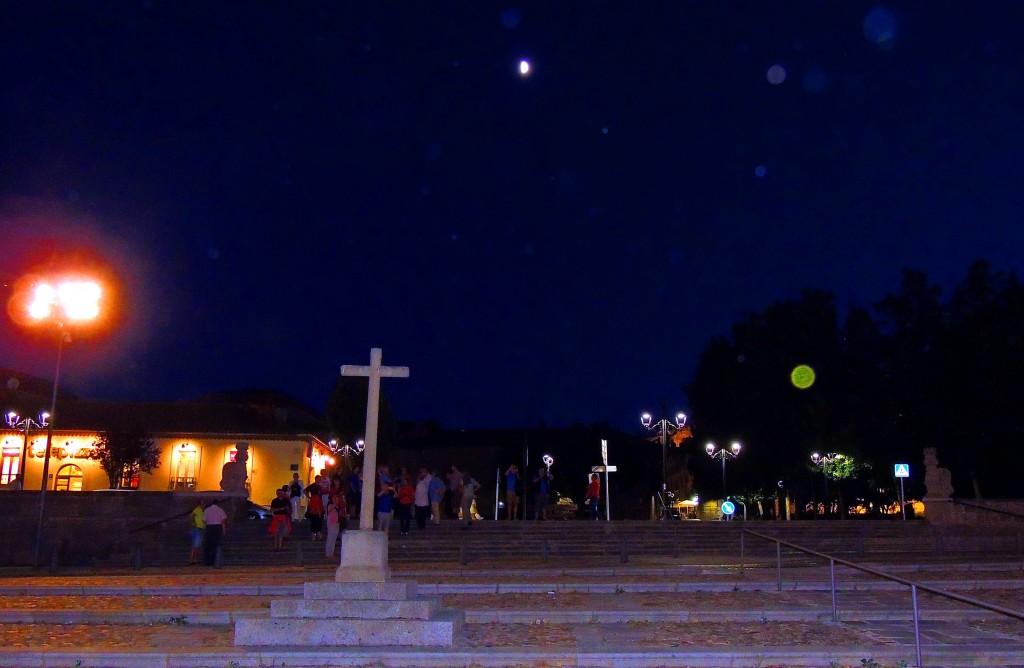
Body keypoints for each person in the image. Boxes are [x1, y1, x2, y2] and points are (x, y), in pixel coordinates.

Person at [202, 499, 227, 567]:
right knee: (217, 544)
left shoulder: (207, 510)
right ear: (217, 503)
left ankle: (207, 561)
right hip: (217, 527)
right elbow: (223, 521)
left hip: (209, 527)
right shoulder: (220, 510)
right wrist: (224, 530)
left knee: (208, 545)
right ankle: (216, 561)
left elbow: (204, 520)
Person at [269, 485, 292, 549]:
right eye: (277, 493)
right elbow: (272, 510)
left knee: (281, 533)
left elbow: (290, 510)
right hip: (277, 517)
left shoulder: (286, 500)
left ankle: (279, 546)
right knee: (276, 533)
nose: (279, 494)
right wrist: (280, 509)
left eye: (280, 493)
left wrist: (288, 509)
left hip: (284, 517)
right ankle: (276, 546)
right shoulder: (274, 501)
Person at [324, 493, 346, 558]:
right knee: (330, 538)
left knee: (334, 538)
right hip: (331, 523)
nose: (336, 499)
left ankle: (331, 552)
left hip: (336, 523)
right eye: (335, 498)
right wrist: (335, 503)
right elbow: (330, 509)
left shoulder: (337, 506)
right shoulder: (330, 504)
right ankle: (328, 552)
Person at [188, 499, 205, 565]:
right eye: (202, 503)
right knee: (195, 546)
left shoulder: (201, 510)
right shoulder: (197, 509)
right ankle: (191, 560)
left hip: (201, 529)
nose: (203, 505)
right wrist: (193, 523)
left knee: (197, 546)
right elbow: (190, 516)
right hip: (197, 529)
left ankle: (194, 560)